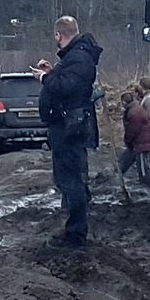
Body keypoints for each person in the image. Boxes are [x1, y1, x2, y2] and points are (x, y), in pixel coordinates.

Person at [33, 15, 102, 246]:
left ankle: (76, 234)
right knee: (69, 179)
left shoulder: (79, 58)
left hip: (70, 128)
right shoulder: (76, 57)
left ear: (58, 35)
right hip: (67, 126)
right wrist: (53, 72)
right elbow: (68, 83)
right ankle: (74, 228)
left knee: (71, 180)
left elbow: (65, 88)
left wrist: (45, 78)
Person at [118, 89, 150, 200]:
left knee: (143, 165)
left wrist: (127, 141)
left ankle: (147, 187)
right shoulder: (135, 109)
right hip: (140, 142)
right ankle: (119, 173)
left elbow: (132, 131)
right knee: (134, 160)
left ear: (125, 102)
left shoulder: (134, 113)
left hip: (142, 143)